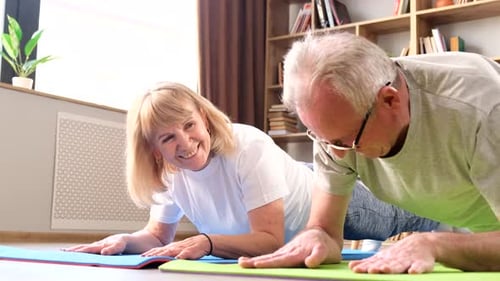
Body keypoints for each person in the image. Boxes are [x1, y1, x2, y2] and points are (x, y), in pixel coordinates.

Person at [65, 81, 441, 259]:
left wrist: (208, 242)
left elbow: (270, 238)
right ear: (153, 149)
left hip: (324, 198)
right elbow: (157, 237)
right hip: (289, 190)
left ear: (205, 119)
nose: (184, 142)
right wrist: (124, 241)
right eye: (167, 138)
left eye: (189, 125)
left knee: (410, 214)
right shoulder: (168, 174)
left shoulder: (247, 145)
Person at [238, 32, 500, 273]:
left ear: (390, 100)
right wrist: (316, 235)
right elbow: (326, 230)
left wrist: (435, 244)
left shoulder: (484, 110)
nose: (336, 155)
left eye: (346, 141)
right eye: (323, 140)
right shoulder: (336, 120)